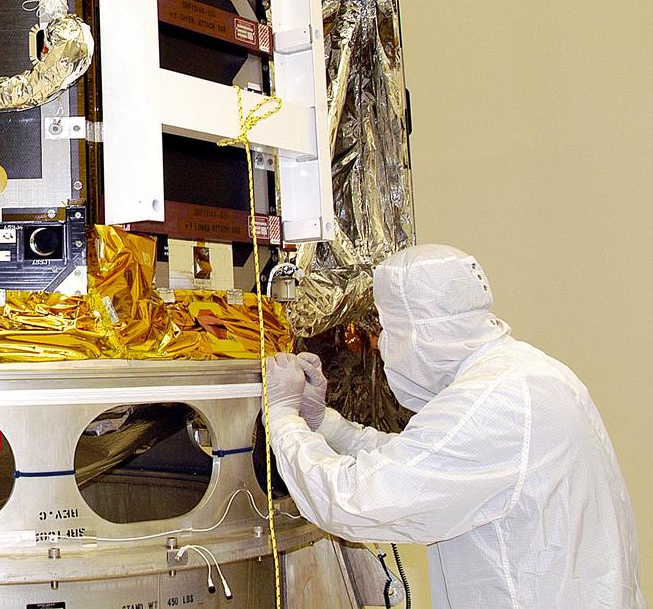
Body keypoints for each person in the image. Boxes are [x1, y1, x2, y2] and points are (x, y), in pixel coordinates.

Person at [264, 244, 645, 608]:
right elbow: (418, 462)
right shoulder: (524, 373)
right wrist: (321, 424)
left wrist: (283, 419)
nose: (380, 346)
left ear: (419, 331)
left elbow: (353, 500)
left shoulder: (493, 401)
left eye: (386, 331)